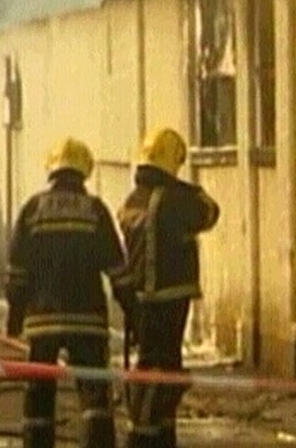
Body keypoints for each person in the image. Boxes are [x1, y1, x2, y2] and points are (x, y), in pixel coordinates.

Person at [5, 137, 126, 448]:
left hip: (42, 320)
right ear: (84, 172)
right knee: (95, 396)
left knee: (39, 395)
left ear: (52, 172)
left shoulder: (33, 209)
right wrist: (133, 314)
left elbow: (17, 271)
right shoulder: (95, 210)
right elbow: (117, 269)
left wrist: (15, 318)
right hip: (87, 321)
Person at [110, 128, 220, 448]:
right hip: (171, 295)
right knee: (163, 368)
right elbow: (210, 211)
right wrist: (179, 185)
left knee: (152, 365)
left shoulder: (133, 198)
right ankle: (147, 436)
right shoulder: (174, 197)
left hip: (140, 297)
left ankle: (157, 432)